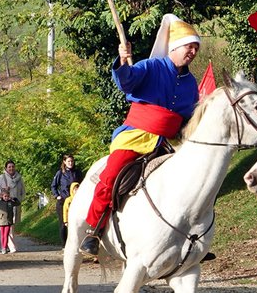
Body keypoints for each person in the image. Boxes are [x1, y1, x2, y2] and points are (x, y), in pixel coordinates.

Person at [79, 13, 201, 256]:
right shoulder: (152, 66)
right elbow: (127, 82)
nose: (193, 52)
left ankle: (191, 238)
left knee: (196, 180)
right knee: (111, 175)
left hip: (168, 141)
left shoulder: (191, 83)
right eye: (189, 46)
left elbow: (189, 116)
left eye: (196, 48)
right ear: (175, 47)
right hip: (136, 135)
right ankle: (95, 230)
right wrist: (124, 61)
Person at [0, 160, 25, 254]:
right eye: (9, 167)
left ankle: (6, 245)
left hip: (15, 205)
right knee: (9, 225)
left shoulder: (19, 178)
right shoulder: (2, 178)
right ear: (6, 168)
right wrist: (3, 191)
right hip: (5, 207)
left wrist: (19, 200)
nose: (11, 168)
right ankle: (10, 246)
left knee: (13, 225)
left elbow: (23, 191)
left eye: (12, 166)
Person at [51, 154, 82, 245]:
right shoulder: (60, 173)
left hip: (75, 201)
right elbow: (53, 186)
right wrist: (57, 195)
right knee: (64, 223)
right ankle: (65, 244)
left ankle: (76, 243)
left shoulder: (78, 172)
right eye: (68, 161)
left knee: (76, 223)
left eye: (72, 161)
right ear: (64, 162)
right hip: (63, 201)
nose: (71, 163)